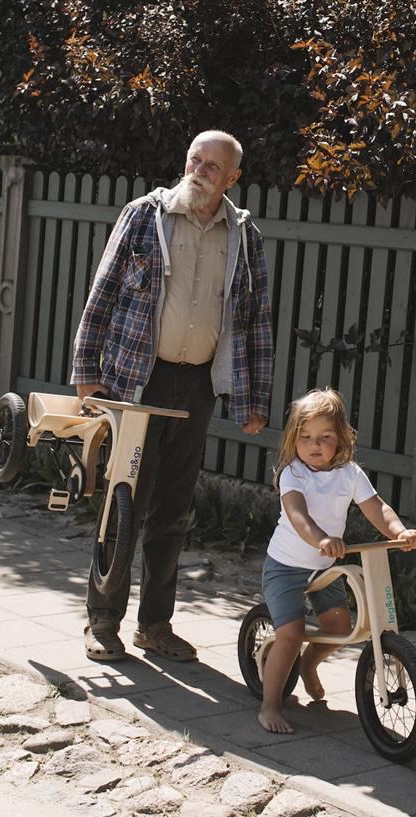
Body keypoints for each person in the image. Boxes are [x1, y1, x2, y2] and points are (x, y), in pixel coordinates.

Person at [71, 130, 273, 664]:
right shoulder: (144, 216)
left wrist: (254, 399)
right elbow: (104, 289)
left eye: (214, 165)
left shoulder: (244, 235)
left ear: (233, 178)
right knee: (123, 502)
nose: (201, 170)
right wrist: (86, 371)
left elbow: (255, 321)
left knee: (174, 510)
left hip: (200, 384)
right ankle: (102, 622)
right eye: (195, 159)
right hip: (138, 377)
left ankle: (155, 625)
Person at [258, 387, 416, 734]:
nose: (314, 445)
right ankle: (270, 704)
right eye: (305, 437)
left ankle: (307, 666)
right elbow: (298, 515)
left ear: (342, 438)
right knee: (291, 633)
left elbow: (377, 508)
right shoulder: (293, 474)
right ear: (293, 439)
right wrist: (322, 539)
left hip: (326, 564)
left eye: (325, 437)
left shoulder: (349, 473)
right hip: (287, 565)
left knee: (339, 628)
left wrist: (399, 531)